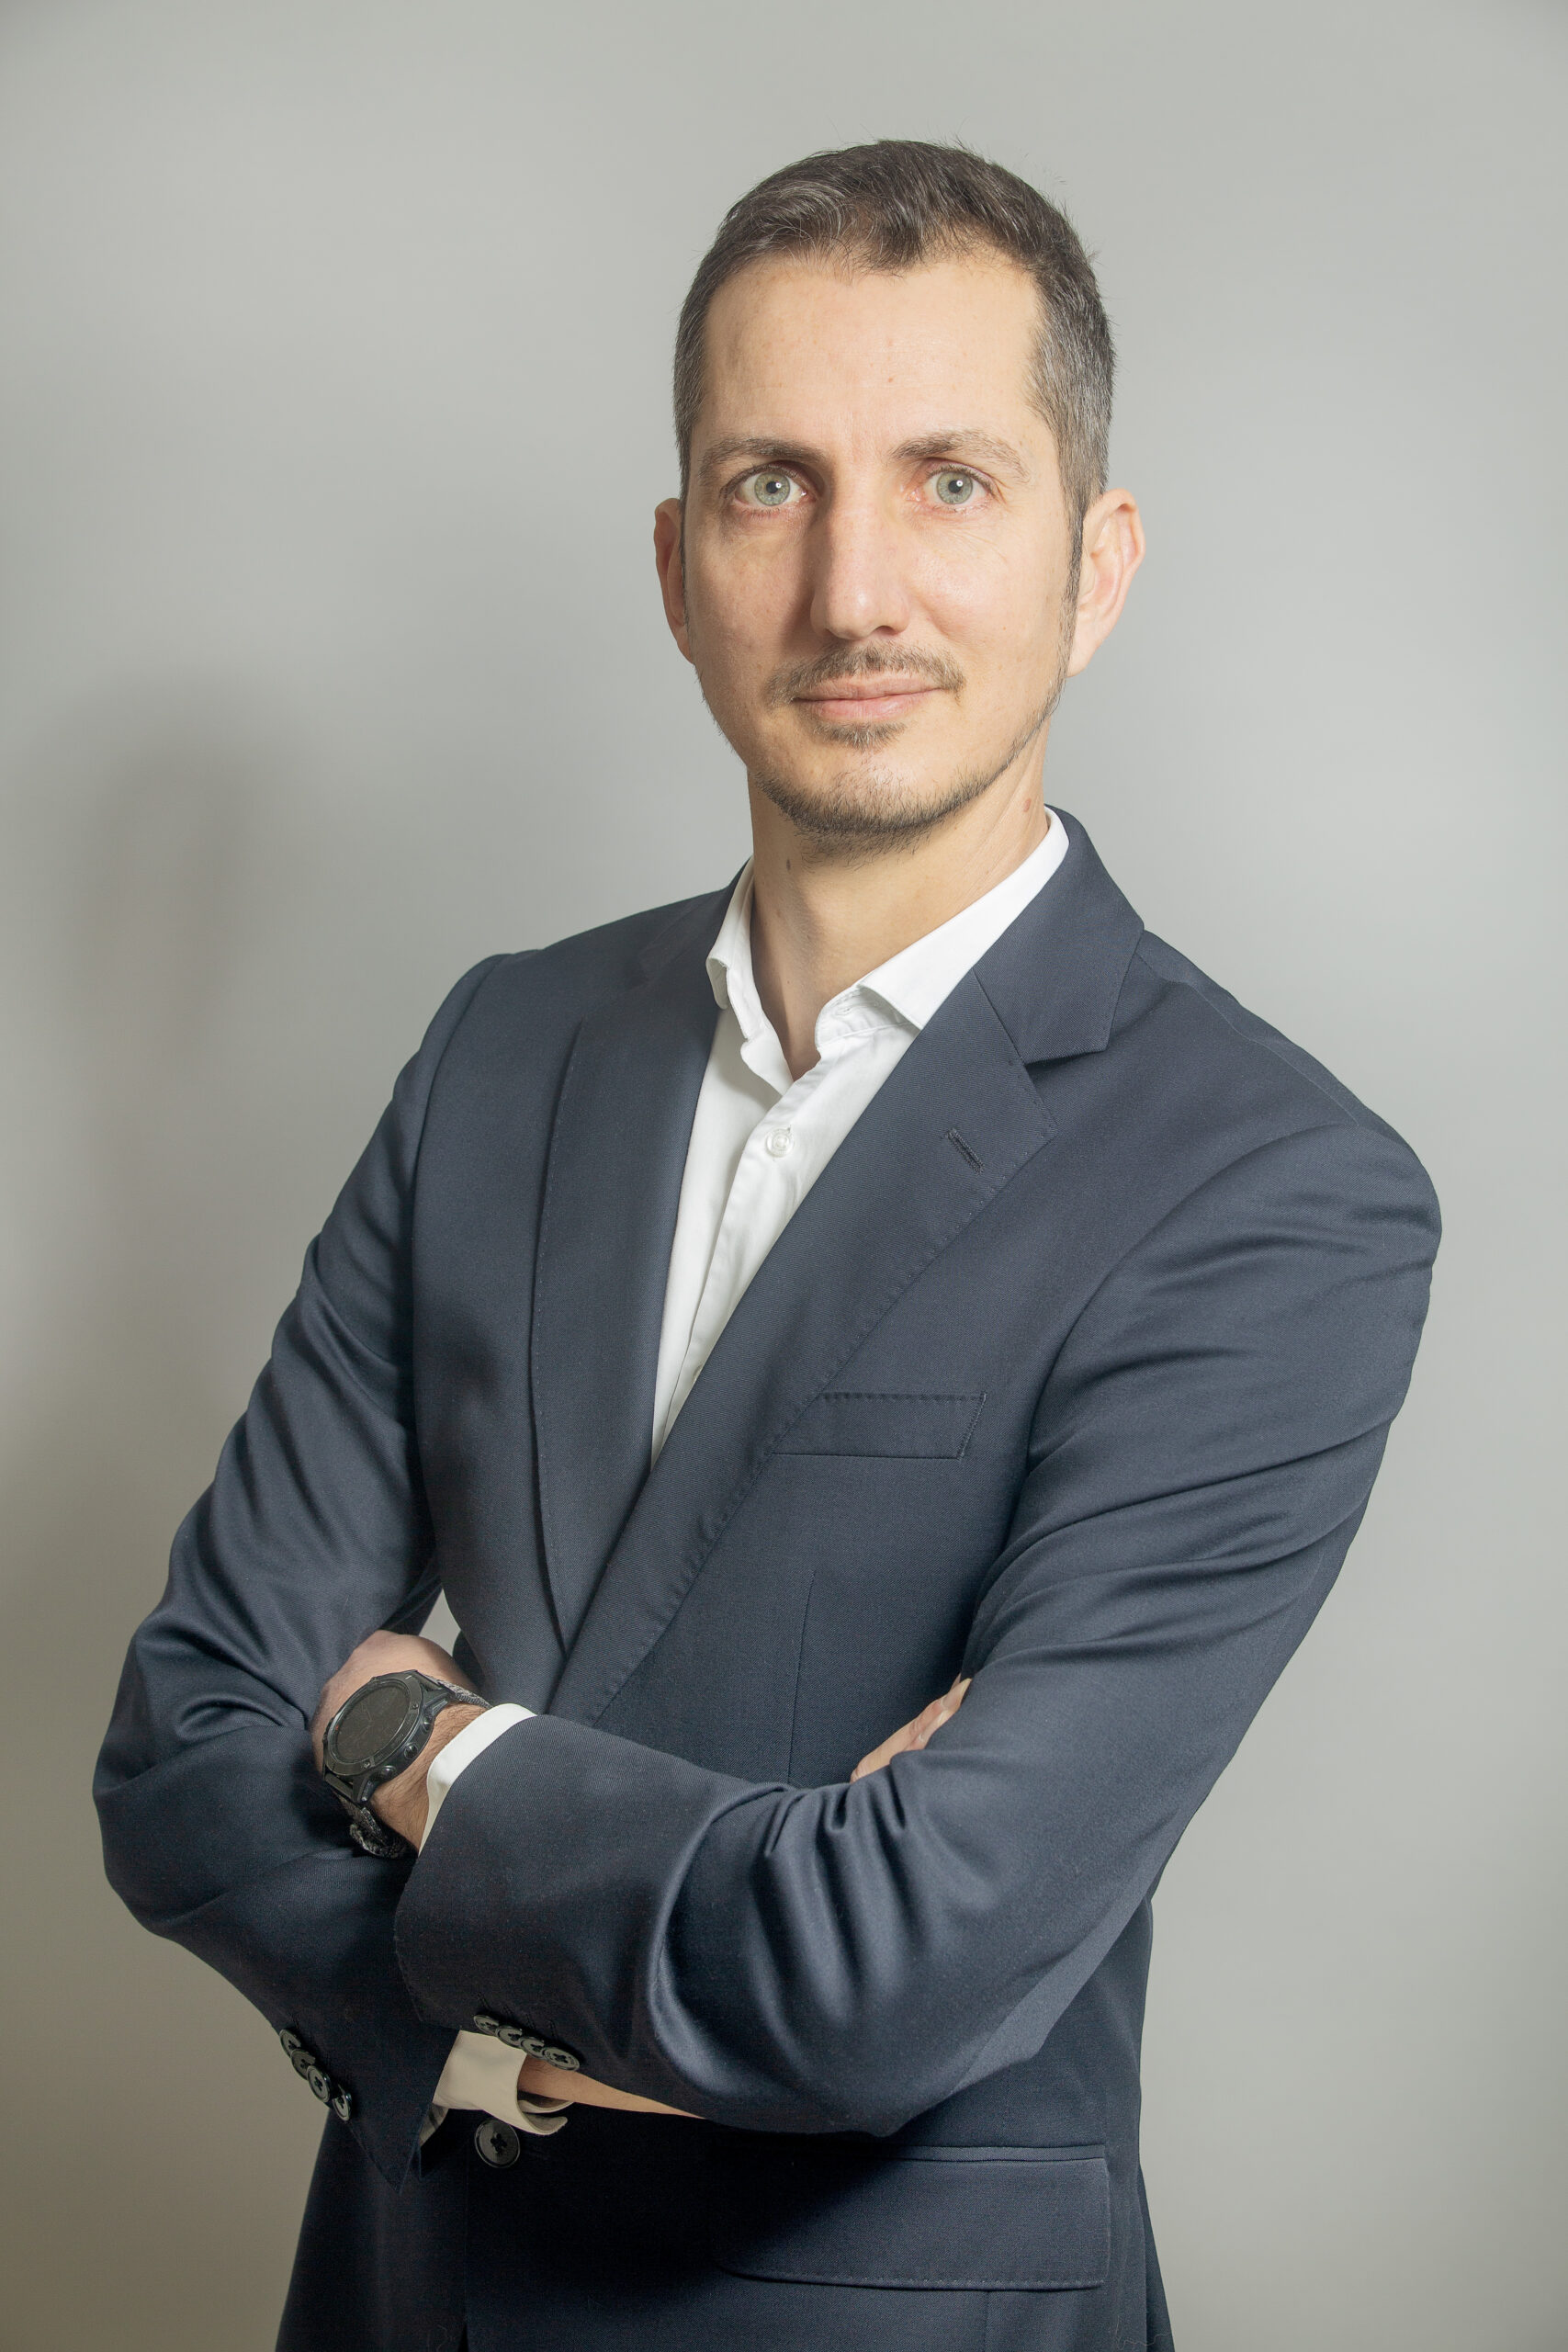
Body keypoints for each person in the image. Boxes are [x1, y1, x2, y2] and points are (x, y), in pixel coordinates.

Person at [96, 140, 1438, 2352]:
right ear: (674, 562)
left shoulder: (1271, 1188)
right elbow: (183, 1746)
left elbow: (894, 1957)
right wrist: (520, 2049)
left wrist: (419, 1746)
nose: (850, 591)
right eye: (767, 486)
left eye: (948, 483)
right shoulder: (501, 1048)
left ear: (1094, 562)